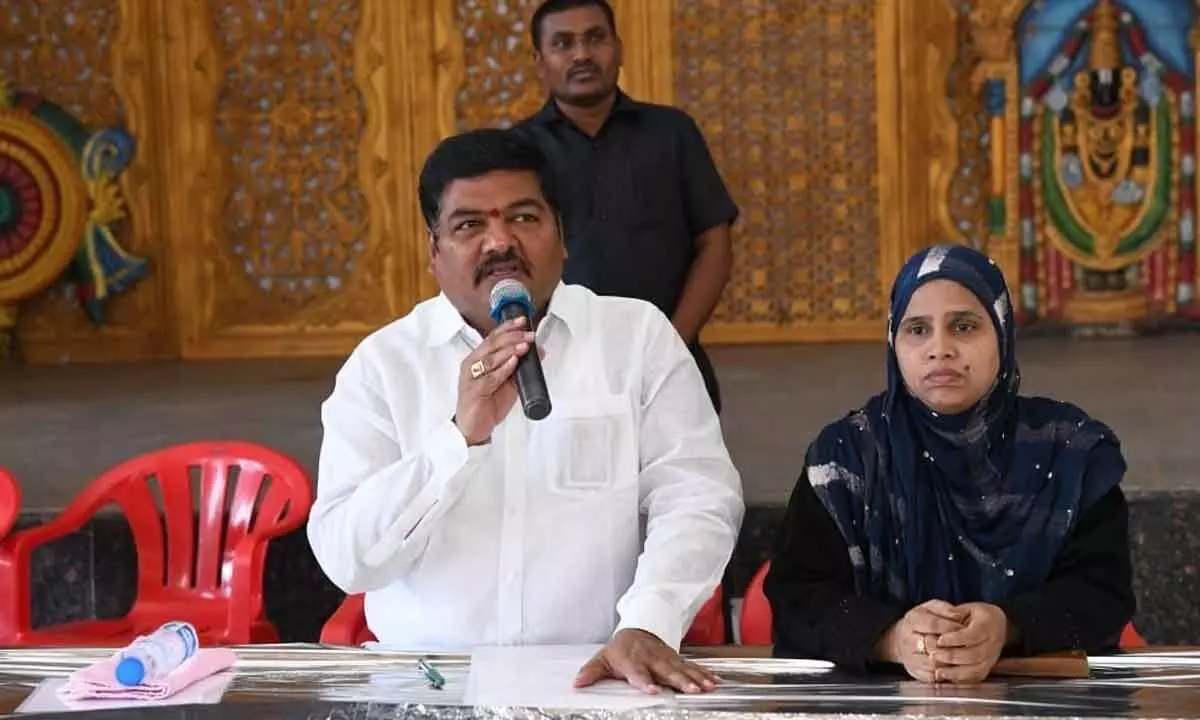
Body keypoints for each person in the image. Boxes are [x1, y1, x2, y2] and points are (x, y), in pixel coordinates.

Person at [307, 127, 744, 695]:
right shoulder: (384, 365)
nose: (499, 243)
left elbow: (697, 494)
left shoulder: (634, 338)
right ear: (433, 252)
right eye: (469, 225)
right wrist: (457, 440)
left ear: (562, 236)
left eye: (523, 218)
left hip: (597, 679)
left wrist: (649, 621)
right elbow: (349, 559)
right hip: (431, 688)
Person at [765, 244, 1135, 684]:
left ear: (1002, 335)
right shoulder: (847, 459)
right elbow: (798, 599)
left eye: (964, 326)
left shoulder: (1070, 453)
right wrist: (893, 638)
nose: (939, 349)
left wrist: (1009, 625)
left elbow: (1103, 596)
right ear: (894, 344)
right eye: (917, 330)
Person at [514, 0, 737, 413]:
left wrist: (670, 343)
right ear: (540, 61)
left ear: (618, 48)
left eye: (594, 38)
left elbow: (714, 242)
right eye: (563, 43)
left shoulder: (672, 133)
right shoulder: (518, 153)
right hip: (558, 367)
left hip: (673, 357)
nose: (581, 54)